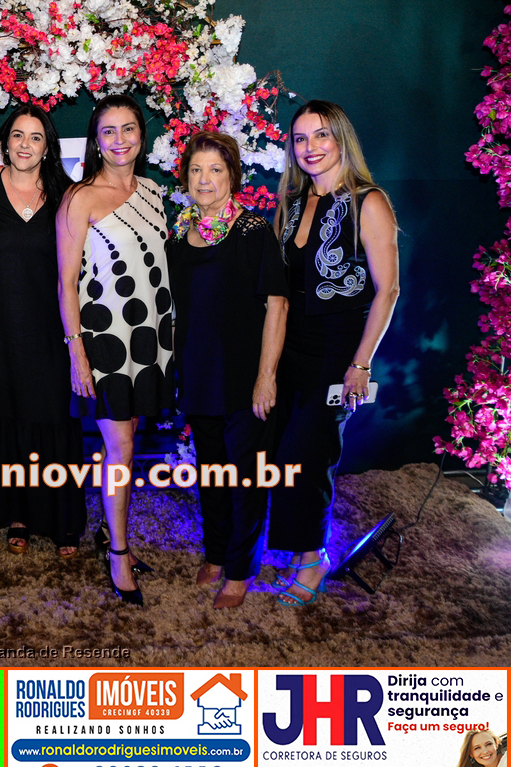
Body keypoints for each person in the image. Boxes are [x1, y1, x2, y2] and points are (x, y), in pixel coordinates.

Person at [271, 100, 400, 605]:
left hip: (338, 349)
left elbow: (387, 290)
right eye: (301, 138)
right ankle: (300, 548)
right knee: (284, 453)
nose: (311, 147)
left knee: (309, 455)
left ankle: (313, 558)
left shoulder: (369, 201)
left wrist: (360, 363)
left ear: (342, 138)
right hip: (291, 346)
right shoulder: (293, 201)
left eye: (321, 135)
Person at [56, 95, 173, 606]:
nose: (119, 139)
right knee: (120, 450)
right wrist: (77, 352)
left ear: (141, 137)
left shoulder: (152, 192)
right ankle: (119, 554)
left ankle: (111, 530)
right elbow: (65, 283)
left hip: (150, 340)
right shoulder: (79, 198)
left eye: (128, 129)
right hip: (105, 342)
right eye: (109, 131)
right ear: (95, 141)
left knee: (128, 443)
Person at [168, 131, 289, 609]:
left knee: (246, 480)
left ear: (232, 176)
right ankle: (216, 553)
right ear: (185, 177)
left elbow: (277, 305)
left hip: (244, 379)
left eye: (215, 170)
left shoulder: (253, 231)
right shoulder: (180, 235)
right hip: (199, 376)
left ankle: (240, 569)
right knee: (213, 475)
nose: (205, 179)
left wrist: (266, 376)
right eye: (196, 170)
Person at [0, 105, 86, 558]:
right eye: (18, 135)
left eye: (36, 137)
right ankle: (16, 513)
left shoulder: (65, 194)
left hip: (50, 327)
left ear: (47, 147)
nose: (25, 145)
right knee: (6, 413)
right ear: (5, 141)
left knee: (52, 417)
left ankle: (61, 519)